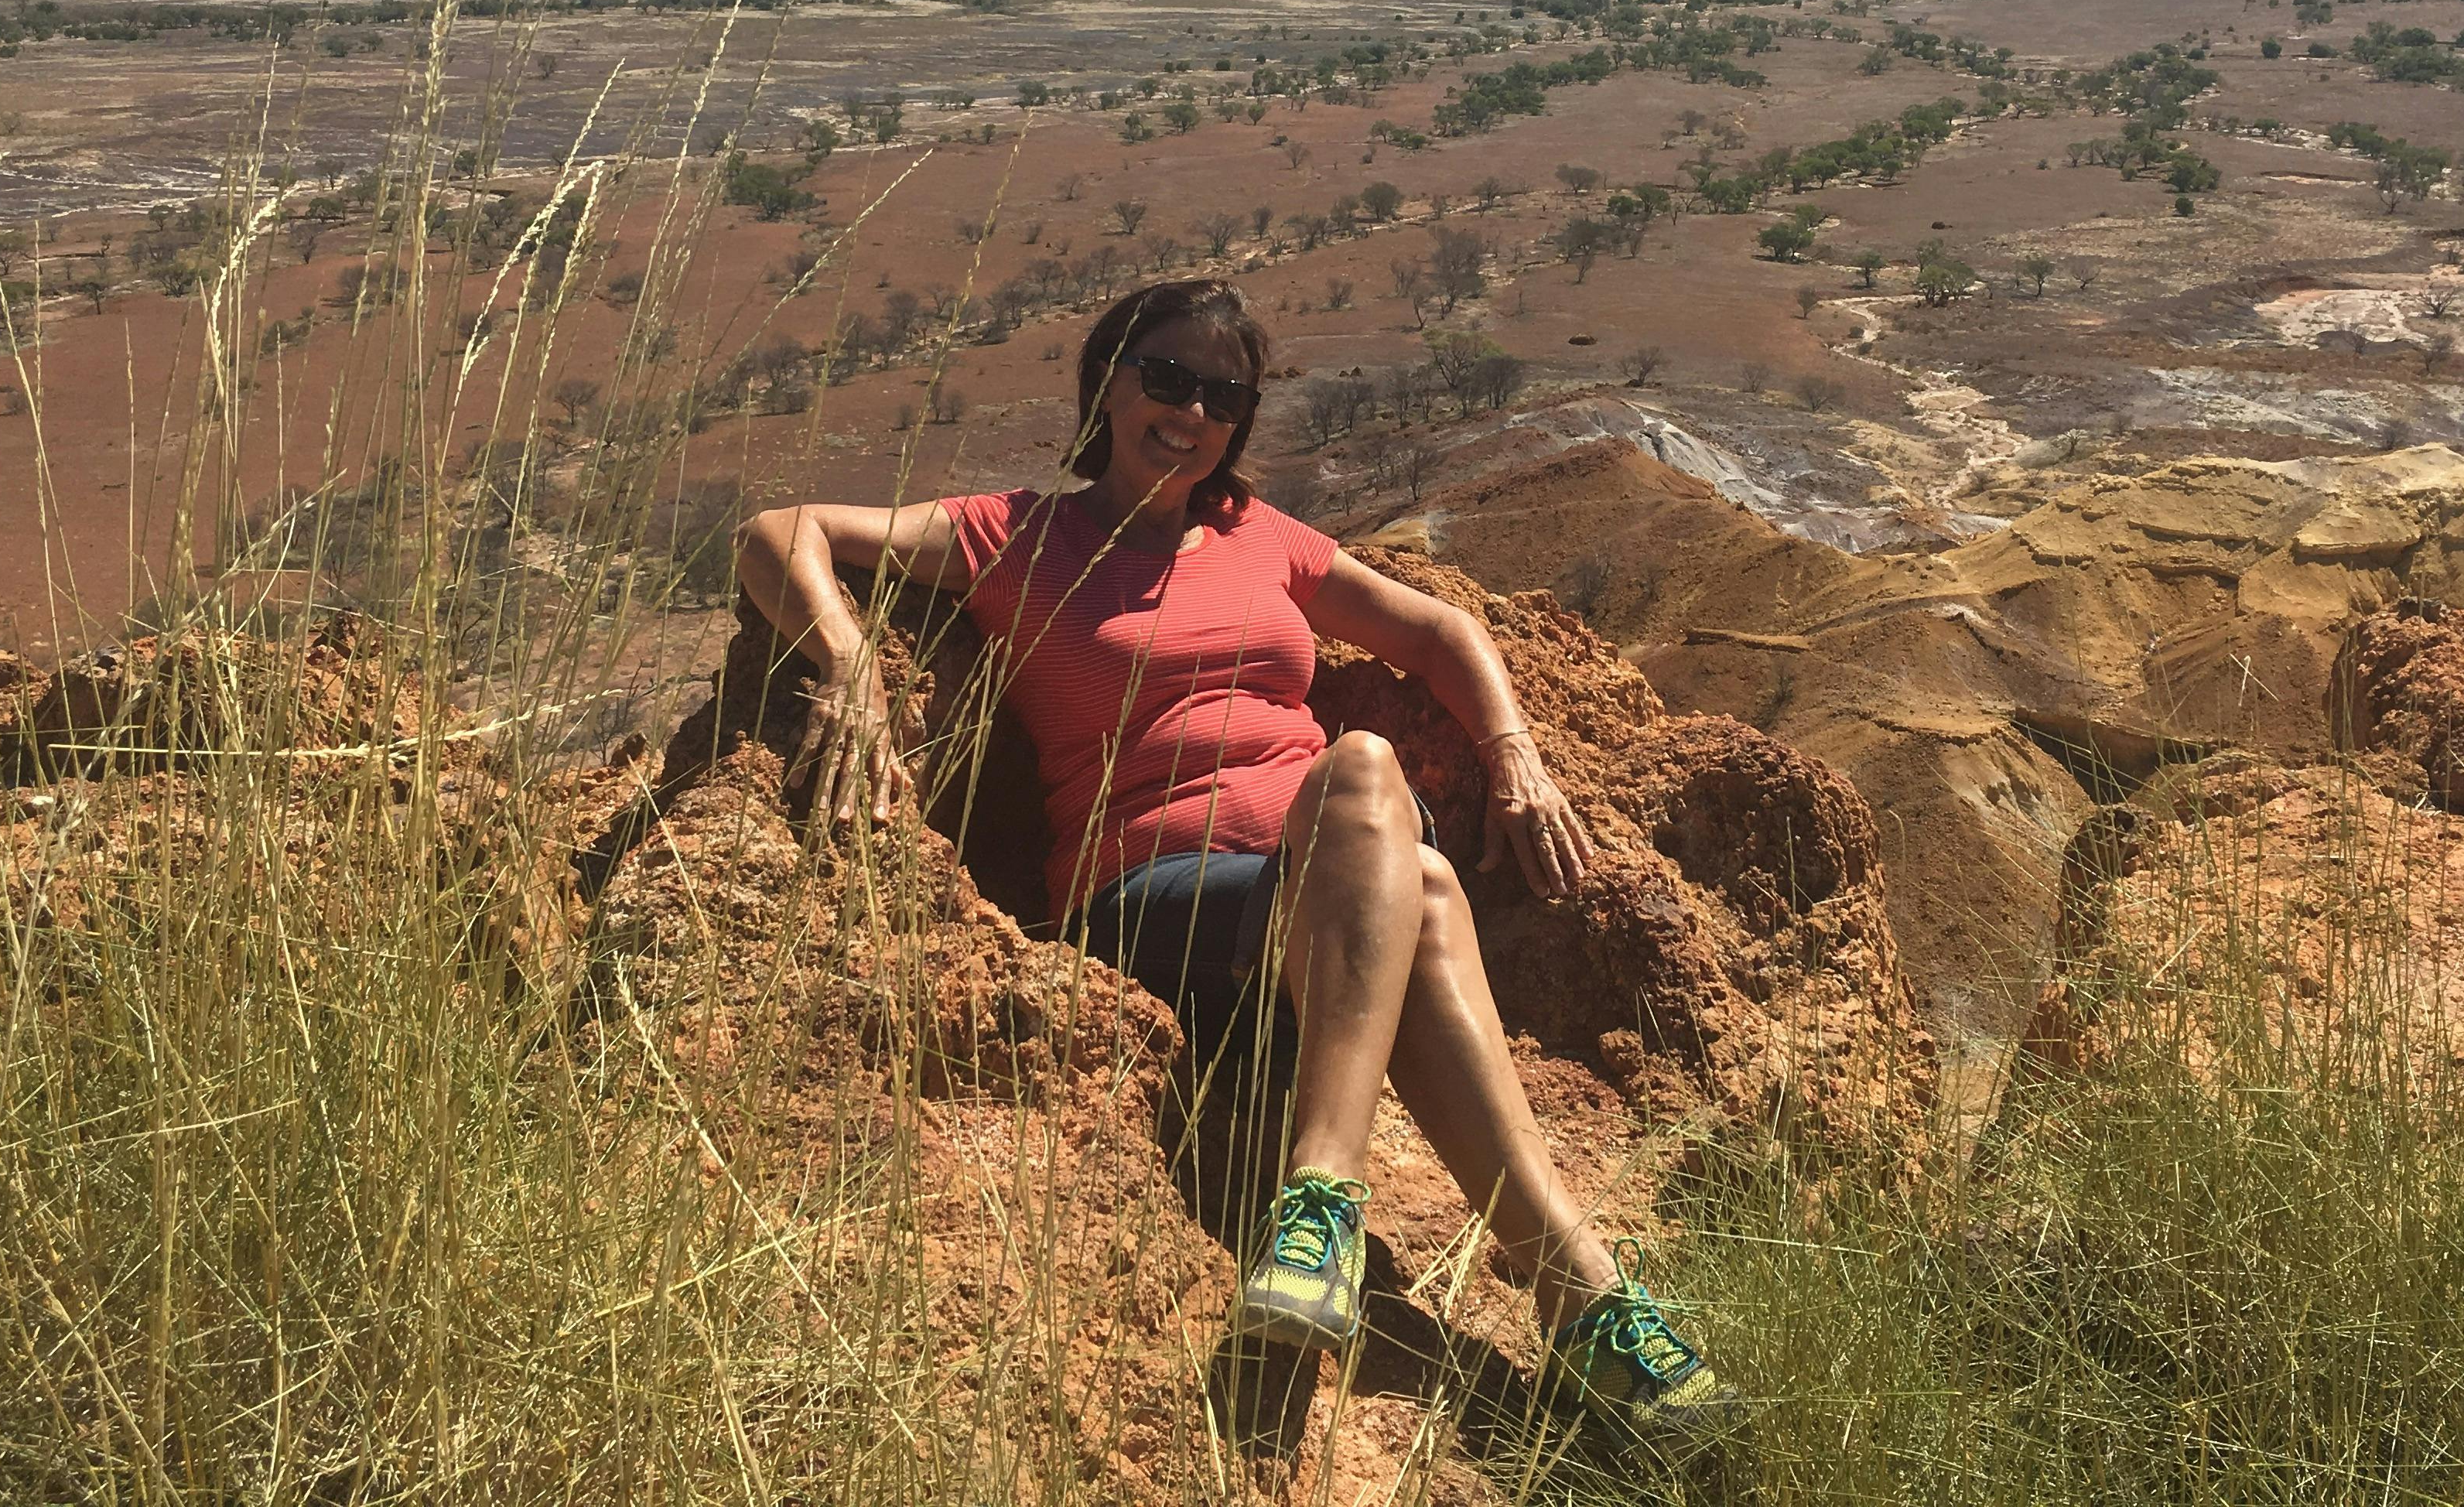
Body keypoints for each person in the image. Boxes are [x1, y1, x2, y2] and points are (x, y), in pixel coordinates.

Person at [734, 277, 1738, 1452]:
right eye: (1166, 377)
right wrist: (848, 663)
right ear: (1108, 381)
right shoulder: (1018, 532)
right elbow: (779, 533)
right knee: (1368, 781)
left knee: (1412, 878)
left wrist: (1515, 754)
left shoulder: (1264, 539)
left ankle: (1575, 1297)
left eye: (1222, 393)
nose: (1191, 410)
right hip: (1144, 911)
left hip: (1317, 925)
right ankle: (1389, 1222)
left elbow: (1441, 630)